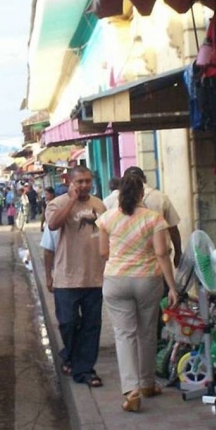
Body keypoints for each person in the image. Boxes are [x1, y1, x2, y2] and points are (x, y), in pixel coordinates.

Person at [97, 173, 179, 412]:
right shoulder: (153, 219)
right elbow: (162, 254)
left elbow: (104, 253)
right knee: (147, 332)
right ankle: (147, 384)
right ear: (142, 194)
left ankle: (131, 389)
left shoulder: (106, 218)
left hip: (115, 280)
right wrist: (172, 287)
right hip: (147, 280)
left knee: (124, 335)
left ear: (119, 194)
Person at [46, 165, 107, 387]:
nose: (84, 185)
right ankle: (70, 355)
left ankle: (85, 370)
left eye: (87, 181)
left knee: (92, 325)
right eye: (79, 181)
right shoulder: (57, 204)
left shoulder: (99, 205)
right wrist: (71, 200)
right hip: (67, 278)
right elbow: (53, 225)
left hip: (94, 277)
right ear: (70, 182)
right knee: (68, 323)